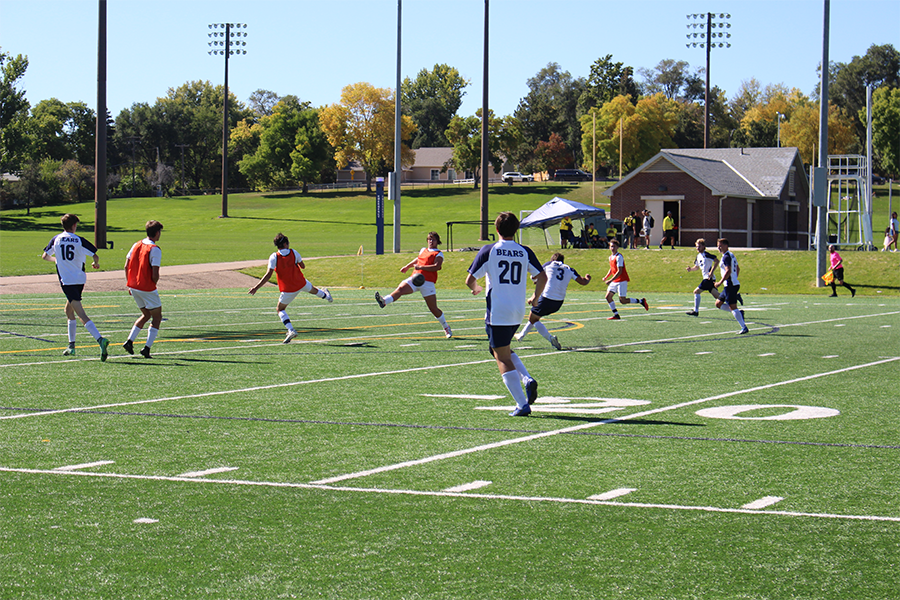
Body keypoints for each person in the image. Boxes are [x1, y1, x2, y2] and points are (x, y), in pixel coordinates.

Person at [466, 212, 547, 417]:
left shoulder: (489, 250)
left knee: (501, 356)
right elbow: (542, 276)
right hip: (517, 311)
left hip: (498, 310)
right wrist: (536, 297)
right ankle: (526, 378)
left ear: (496, 230)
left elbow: (470, 280)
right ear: (516, 230)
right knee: (499, 348)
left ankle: (522, 403)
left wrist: (476, 288)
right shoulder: (524, 251)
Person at [41, 213, 111, 360]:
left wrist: (56, 260)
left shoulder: (56, 239)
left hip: (67, 281)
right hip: (80, 280)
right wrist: (95, 263)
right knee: (68, 310)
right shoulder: (79, 240)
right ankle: (71, 346)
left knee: (81, 314)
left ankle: (100, 339)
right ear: (74, 226)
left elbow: (45, 256)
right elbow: (95, 255)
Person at [248, 232, 333, 344]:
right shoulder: (294, 252)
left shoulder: (274, 257)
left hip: (288, 289)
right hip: (300, 283)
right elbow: (303, 266)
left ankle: (291, 330)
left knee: (280, 309)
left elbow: (268, 275)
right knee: (313, 290)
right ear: (285, 244)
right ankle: (327, 297)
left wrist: (256, 287)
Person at [375, 231, 453, 338]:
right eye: (429, 239)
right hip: (415, 278)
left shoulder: (438, 253)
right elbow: (418, 259)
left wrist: (421, 267)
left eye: (433, 239)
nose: (431, 241)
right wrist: (407, 266)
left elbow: (437, 267)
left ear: (437, 241)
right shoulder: (423, 250)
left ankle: (446, 327)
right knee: (400, 289)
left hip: (427, 282)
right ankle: (384, 301)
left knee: (433, 308)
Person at [515, 252, 591, 350]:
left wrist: (535, 281)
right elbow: (583, 282)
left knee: (533, 318)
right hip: (558, 302)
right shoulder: (569, 269)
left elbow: (536, 275)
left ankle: (550, 338)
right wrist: (588, 278)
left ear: (552, 260)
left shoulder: (549, 264)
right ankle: (521, 335)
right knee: (535, 316)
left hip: (547, 298)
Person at [123, 220, 166, 358]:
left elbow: (126, 265)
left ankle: (129, 341)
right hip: (146, 287)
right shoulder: (155, 249)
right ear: (157, 233)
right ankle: (147, 348)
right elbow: (155, 273)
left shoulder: (136, 244)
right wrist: (153, 284)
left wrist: (129, 283)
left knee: (146, 314)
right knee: (157, 317)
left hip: (134, 286)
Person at [602, 238, 649, 319]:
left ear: (617, 247)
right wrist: (606, 277)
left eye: (614, 246)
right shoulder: (610, 257)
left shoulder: (619, 257)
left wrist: (610, 280)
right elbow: (612, 268)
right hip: (615, 281)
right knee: (608, 297)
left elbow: (619, 271)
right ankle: (616, 314)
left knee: (623, 300)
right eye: (611, 246)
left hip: (621, 280)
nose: (612, 248)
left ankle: (641, 301)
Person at [713, 238, 750, 335]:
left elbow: (728, 270)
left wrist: (720, 282)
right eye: (718, 246)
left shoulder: (726, 257)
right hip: (730, 284)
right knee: (718, 304)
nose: (719, 248)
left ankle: (744, 327)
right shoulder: (731, 255)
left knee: (733, 307)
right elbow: (737, 268)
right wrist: (734, 278)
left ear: (726, 246)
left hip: (730, 285)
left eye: (720, 246)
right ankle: (739, 313)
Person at [685, 238, 719, 316]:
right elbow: (697, 267)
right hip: (707, 278)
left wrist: (711, 272)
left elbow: (717, 261)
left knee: (696, 291)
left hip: (708, 278)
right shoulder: (698, 256)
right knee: (718, 297)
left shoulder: (706, 255)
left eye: (699, 246)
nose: (698, 248)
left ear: (703, 246)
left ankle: (696, 311)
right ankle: (735, 299)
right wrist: (691, 269)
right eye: (697, 246)